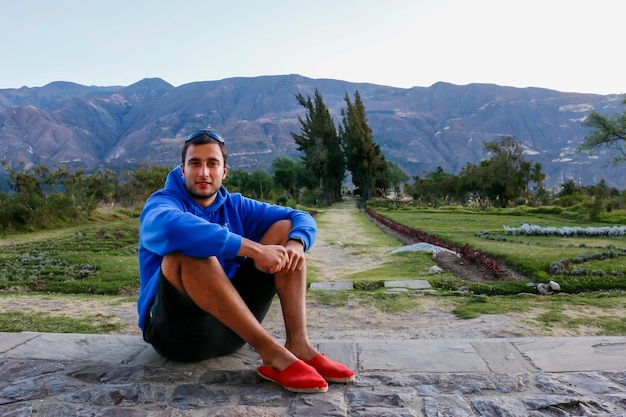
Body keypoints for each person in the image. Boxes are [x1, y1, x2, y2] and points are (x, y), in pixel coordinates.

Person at [137, 130, 354, 393]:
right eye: (195, 163)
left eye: (212, 163)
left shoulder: (236, 206)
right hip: (177, 337)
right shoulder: (162, 202)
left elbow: (300, 216)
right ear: (182, 170)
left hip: (231, 331)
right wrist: (252, 249)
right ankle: (273, 354)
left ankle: (299, 345)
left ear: (224, 171)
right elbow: (173, 229)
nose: (203, 172)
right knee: (185, 251)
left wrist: (297, 243)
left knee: (285, 229)